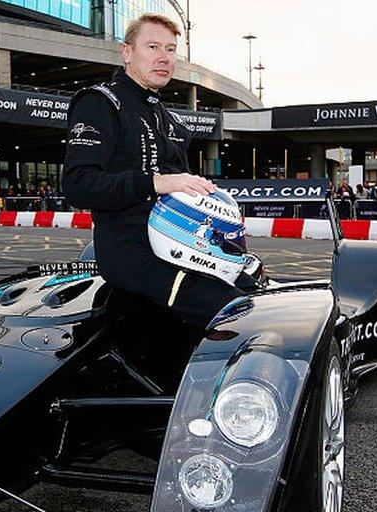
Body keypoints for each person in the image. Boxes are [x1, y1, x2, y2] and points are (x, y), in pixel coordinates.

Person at [62, 14, 251, 329]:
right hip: (133, 256)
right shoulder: (100, 103)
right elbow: (78, 185)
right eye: (152, 47)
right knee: (235, 313)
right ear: (127, 53)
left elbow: (186, 195)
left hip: (186, 248)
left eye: (171, 49)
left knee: (259, 296)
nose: (164, 57)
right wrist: (156, 182)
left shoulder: (170, 120)